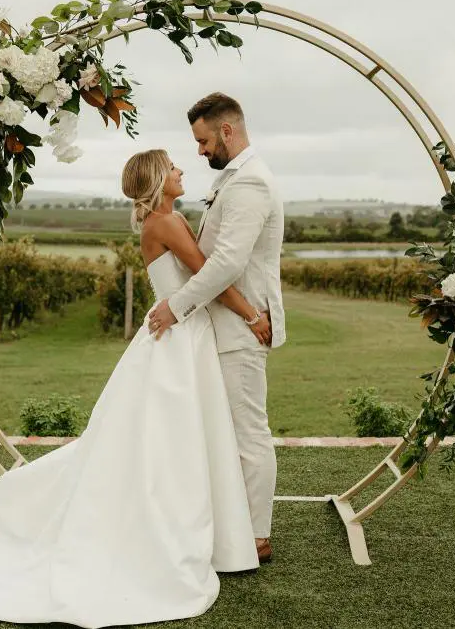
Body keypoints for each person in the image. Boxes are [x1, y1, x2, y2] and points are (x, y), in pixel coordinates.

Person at [0, 147, 269, 628]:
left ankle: (206, 528)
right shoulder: (168, 224)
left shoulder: (160, 223)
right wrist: (252, 315)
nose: (183, 170)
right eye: (174, 167)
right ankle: (183, 532)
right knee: (174, 443)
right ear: (160, 180)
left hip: (175, 333)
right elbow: (213, 276)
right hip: (180, 337)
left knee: (168, 441)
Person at [149, 92, 286, 564]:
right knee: (231, 431)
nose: (200, 151)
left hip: (241, 329)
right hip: (226, 325)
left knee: (248, 432)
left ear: (227, 131)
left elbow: (227, 261)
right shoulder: (234, 179)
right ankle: (234, 527)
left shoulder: (249, 183)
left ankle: (256, 537)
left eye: (204, 141)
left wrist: (176, 306)